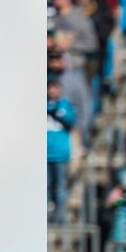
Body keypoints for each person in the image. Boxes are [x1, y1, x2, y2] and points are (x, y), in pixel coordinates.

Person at [47, 77, 77, 225]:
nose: (52, 91)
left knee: (59, 188)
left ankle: (60, 219)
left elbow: (72, 122)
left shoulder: (64, 104)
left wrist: (57, 111)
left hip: (60, 155)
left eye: (55, 87)